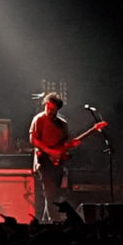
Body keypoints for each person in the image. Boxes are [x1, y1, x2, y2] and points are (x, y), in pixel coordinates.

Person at [29, 92, 78, 223]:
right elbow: (33, 140)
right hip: (43, 160)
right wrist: (49, 151)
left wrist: (66, 151)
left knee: (53, 192)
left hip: (57, 162)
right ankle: (53, 219)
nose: (49, 111)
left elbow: (63, 143)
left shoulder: (62, 124)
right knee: (50, 191)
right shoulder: (39, 119)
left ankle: (46, 220)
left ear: (58, 109)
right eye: (47, 108)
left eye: (52, 109)